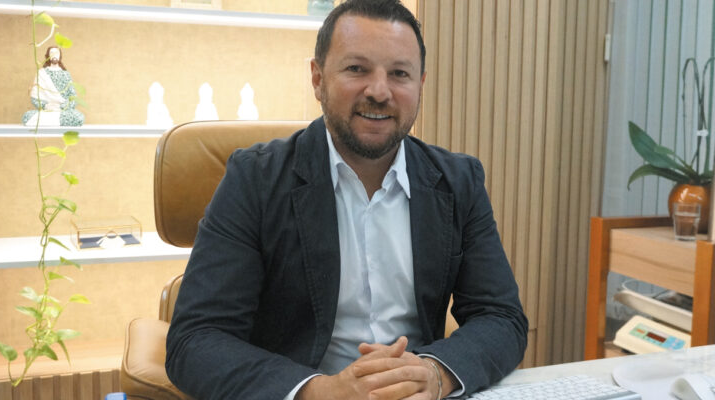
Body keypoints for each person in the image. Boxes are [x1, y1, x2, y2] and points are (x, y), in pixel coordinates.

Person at [165, 1, 528, 399]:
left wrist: (434, 373)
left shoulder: (458, 181)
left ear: (420, 85)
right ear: (318, 78)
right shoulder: (254, 179)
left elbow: (501, 318)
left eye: (399, 74)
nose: (379, 91)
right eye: (357, 69)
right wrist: (319, 391)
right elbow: (196, 340)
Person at [22, 45, 84, 126]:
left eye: (57, 53)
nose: (54, 55)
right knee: (27, 116)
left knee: (78, 117)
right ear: (48, 55)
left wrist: (62, 106)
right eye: (52, 53)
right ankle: (55, 120)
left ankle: (53, 120)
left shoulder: (65, 74)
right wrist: (46, 106)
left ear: (60, 56)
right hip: (47, 110)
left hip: (63, 110)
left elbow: (73, 97)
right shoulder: (41, 73)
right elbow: (35, 98)